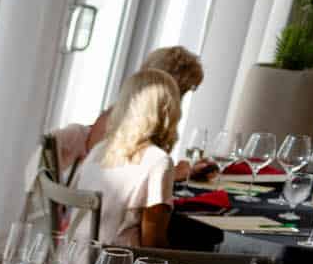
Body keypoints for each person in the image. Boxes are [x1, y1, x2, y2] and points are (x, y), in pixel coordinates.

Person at [52, 45, 205, 182]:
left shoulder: (133, 116)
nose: (179, 100)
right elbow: (110, 179)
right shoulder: (118, 120)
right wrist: (171, 174)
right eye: (180, 92)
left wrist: (178, 173)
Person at [72, 69, 183, 248]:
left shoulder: (100, 149)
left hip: (74, 259)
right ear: (169, 111)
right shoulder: (158, 161)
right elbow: (153, 242)